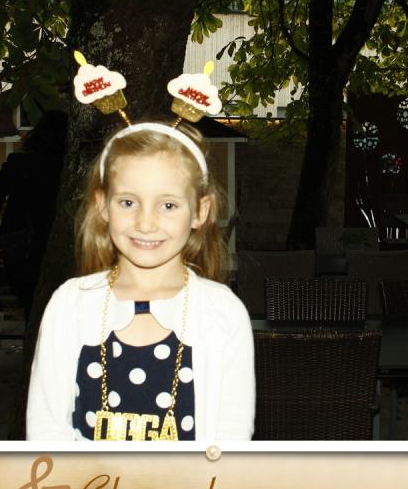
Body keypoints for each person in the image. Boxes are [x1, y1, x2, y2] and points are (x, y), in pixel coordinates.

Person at [25, 122, 255, 442]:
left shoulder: (223, 313)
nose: (145, 223)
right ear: (103, 205)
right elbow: (46, 432)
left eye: (168, 205)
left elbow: (230, 440)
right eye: (128, 202)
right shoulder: (69, 305)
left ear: (200, 211)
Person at [0, 111, 68, 310]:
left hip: (19, 245)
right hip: (53, 242)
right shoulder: (68, 168)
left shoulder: (18, 163)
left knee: (28, 304)